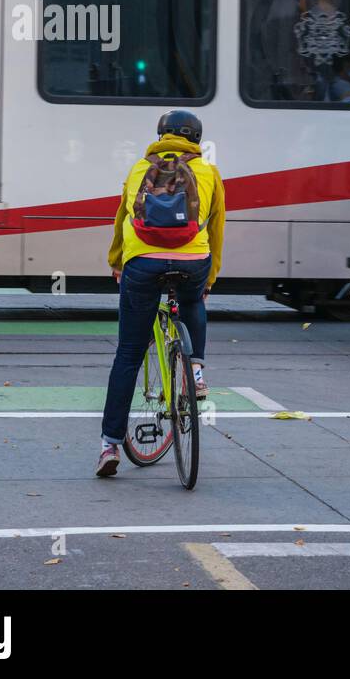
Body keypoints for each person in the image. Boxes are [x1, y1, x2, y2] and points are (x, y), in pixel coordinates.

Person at [97, 110, 225, 478]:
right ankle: (196, 371)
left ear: (159, 135)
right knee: (191, 300)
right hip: (193, 260)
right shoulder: (210, 173)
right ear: (197, 140)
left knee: (129, 353)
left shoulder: (139, 169)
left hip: (143, 264)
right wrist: (209, 280)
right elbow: (216, 230)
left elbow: (123, 218)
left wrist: (118, 261)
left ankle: (109, 444)